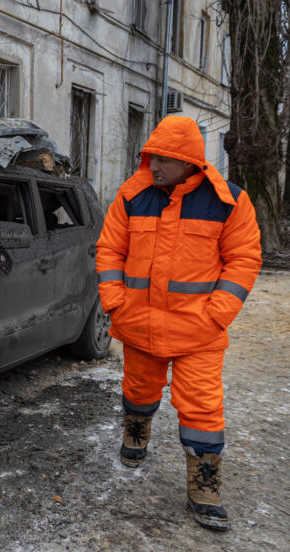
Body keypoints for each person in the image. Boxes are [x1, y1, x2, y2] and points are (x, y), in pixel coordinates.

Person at [95, 115, 262, 531]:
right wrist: (115, 302)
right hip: (139, 325)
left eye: (165, 159)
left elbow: (244, 260)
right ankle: (136, 434)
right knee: (138, 389)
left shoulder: (229, 201)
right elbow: (109, 250)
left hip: (198, 332)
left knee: (203, 407)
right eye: (151, 156)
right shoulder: (132, 196)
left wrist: (218, 313)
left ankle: (205, 486)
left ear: (191, 161)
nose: (154, 165)